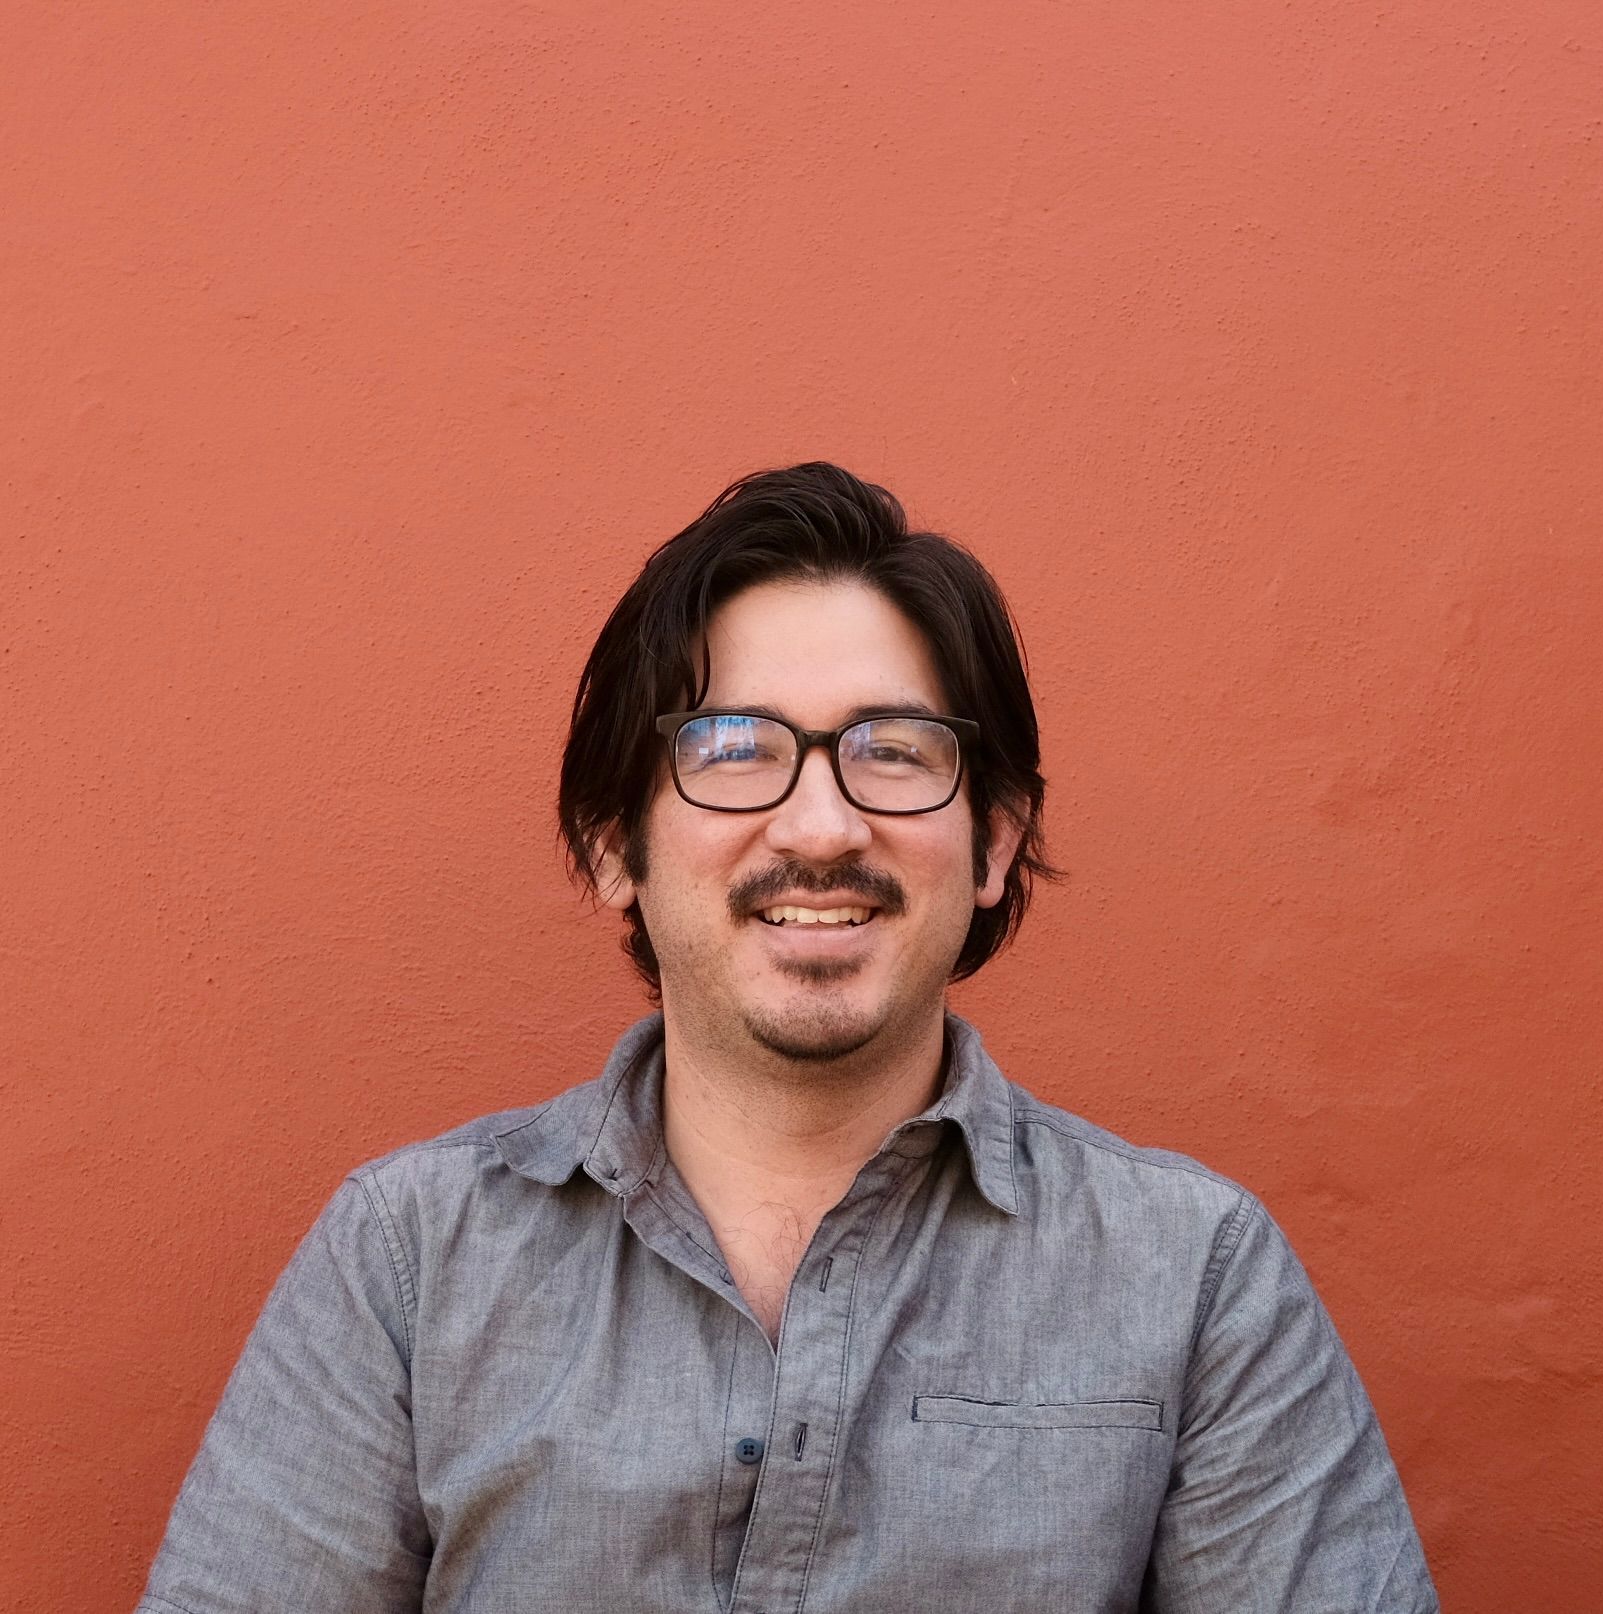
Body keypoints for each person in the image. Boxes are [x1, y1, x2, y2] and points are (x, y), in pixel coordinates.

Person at [138, 463, 1439, 1612]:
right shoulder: (409, 1260)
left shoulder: (1192, 1275)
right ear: (613, 848)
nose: (819, 824)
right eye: (732, 745)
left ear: (990, 842)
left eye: (891, 748)